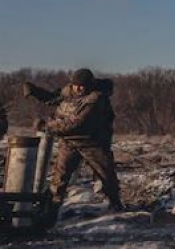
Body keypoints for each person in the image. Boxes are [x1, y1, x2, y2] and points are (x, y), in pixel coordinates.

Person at [23, 68, 124, 224]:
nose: (78, 89)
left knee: (107, 176)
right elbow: (53, 98)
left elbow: (75, 124)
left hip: (92, 143)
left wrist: (46, 126)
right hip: (69, 142)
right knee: (59, 180)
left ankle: (116, 207)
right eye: (76, 85)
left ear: (90, 85)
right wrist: (36, 92)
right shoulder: (69, 91)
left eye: (82, 86)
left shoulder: (96, 99)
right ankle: (49, 216)